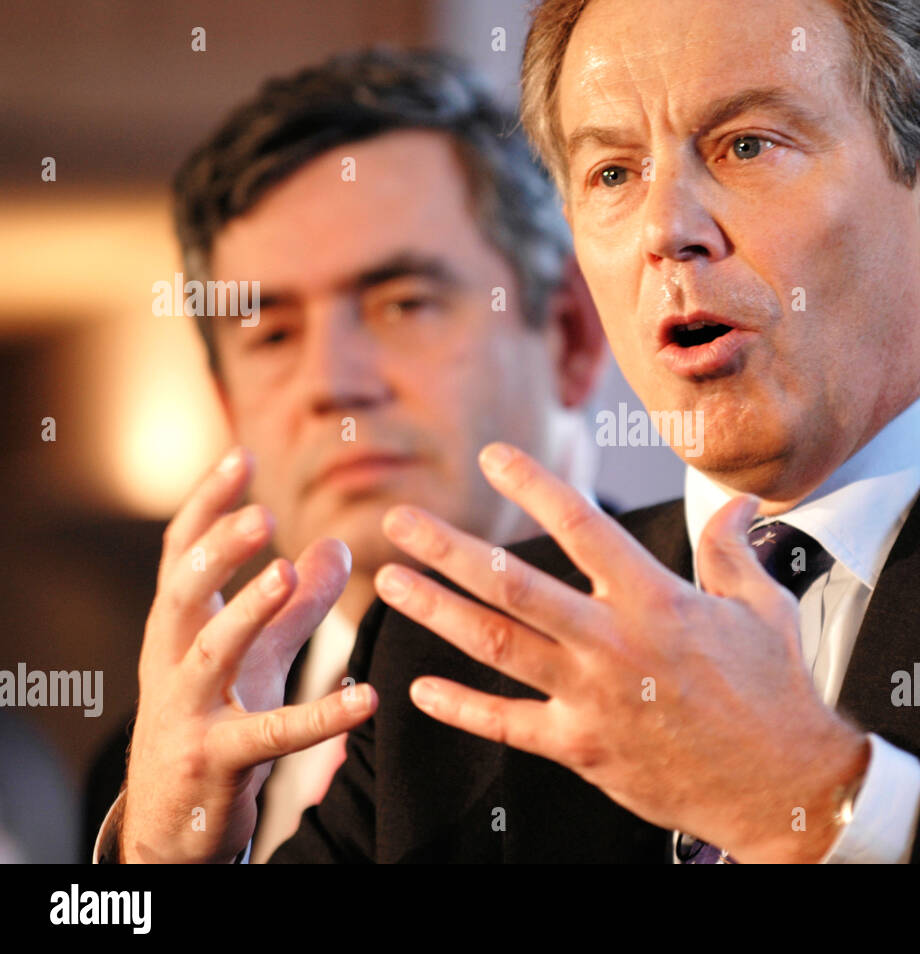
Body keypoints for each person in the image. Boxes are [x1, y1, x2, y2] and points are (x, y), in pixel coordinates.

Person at [120, 0, 920, 864]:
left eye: (745, 145)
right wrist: (159, 872)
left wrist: (826, 799)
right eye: (614, 171)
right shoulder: (464, 643)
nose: (666, 230)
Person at [89, 48, 608, 863]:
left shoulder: (719, 685)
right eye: (272, 335)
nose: (333, 384)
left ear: (571, 335)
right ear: (228, 406)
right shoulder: (153, 770)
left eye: (405, 303)